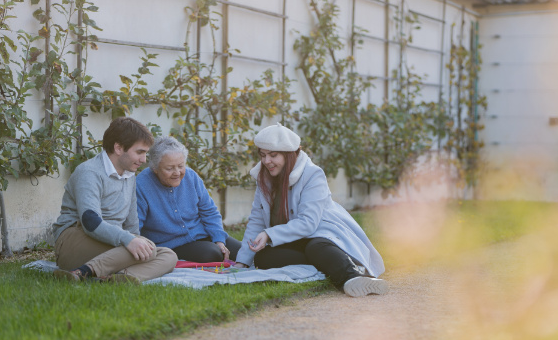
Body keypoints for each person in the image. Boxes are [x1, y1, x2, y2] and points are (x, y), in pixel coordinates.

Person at [235, 123, 388, 297]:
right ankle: (331, 264)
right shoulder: (264, 179)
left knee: (316, 247)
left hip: (322, 236)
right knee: (263, 258)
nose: (266, 161)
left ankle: (352, 276)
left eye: (273, 155)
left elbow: (308, 224)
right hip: (293, 240)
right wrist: (242, 263)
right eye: (263, 155)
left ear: (289, 154)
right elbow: (256, 220)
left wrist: (269, 234)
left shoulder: (313, 175)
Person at [52, 117, 178, 284]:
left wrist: (136, 242)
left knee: (168, 255)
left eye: (145, 153)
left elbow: (132, 223)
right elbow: (90, 223)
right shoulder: (89, 172)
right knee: (147, 248)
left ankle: (114, 278)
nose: (144, 159)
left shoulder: (129, 175)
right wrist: (129, 241)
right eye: (140, 152)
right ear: (118, 148)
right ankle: (85, 271)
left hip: (110, 243)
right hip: (74, 240)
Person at [136, 136, 241, 262]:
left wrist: (219, 239)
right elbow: (136, 224)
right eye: (169, 168)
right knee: (213, 254)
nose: (177, 173)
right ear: (155, 168)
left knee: (245, 252)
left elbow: (209, 212)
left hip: (202, 234)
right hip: (171, 245)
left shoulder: (191, 176)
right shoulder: (141, 185)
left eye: (181, 166)